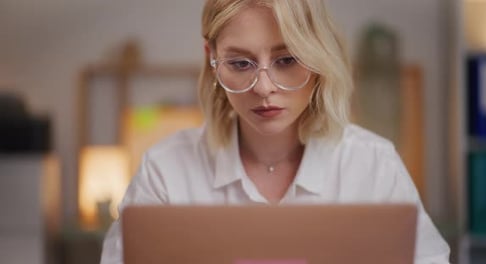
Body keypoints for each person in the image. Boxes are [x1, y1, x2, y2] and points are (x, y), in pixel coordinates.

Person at [101, 0, 450, 263]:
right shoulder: (165, 172)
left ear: (318, 60)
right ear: (211, 59)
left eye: (286, 60)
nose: (264, 87)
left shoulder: (373, 165)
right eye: (240, 63)